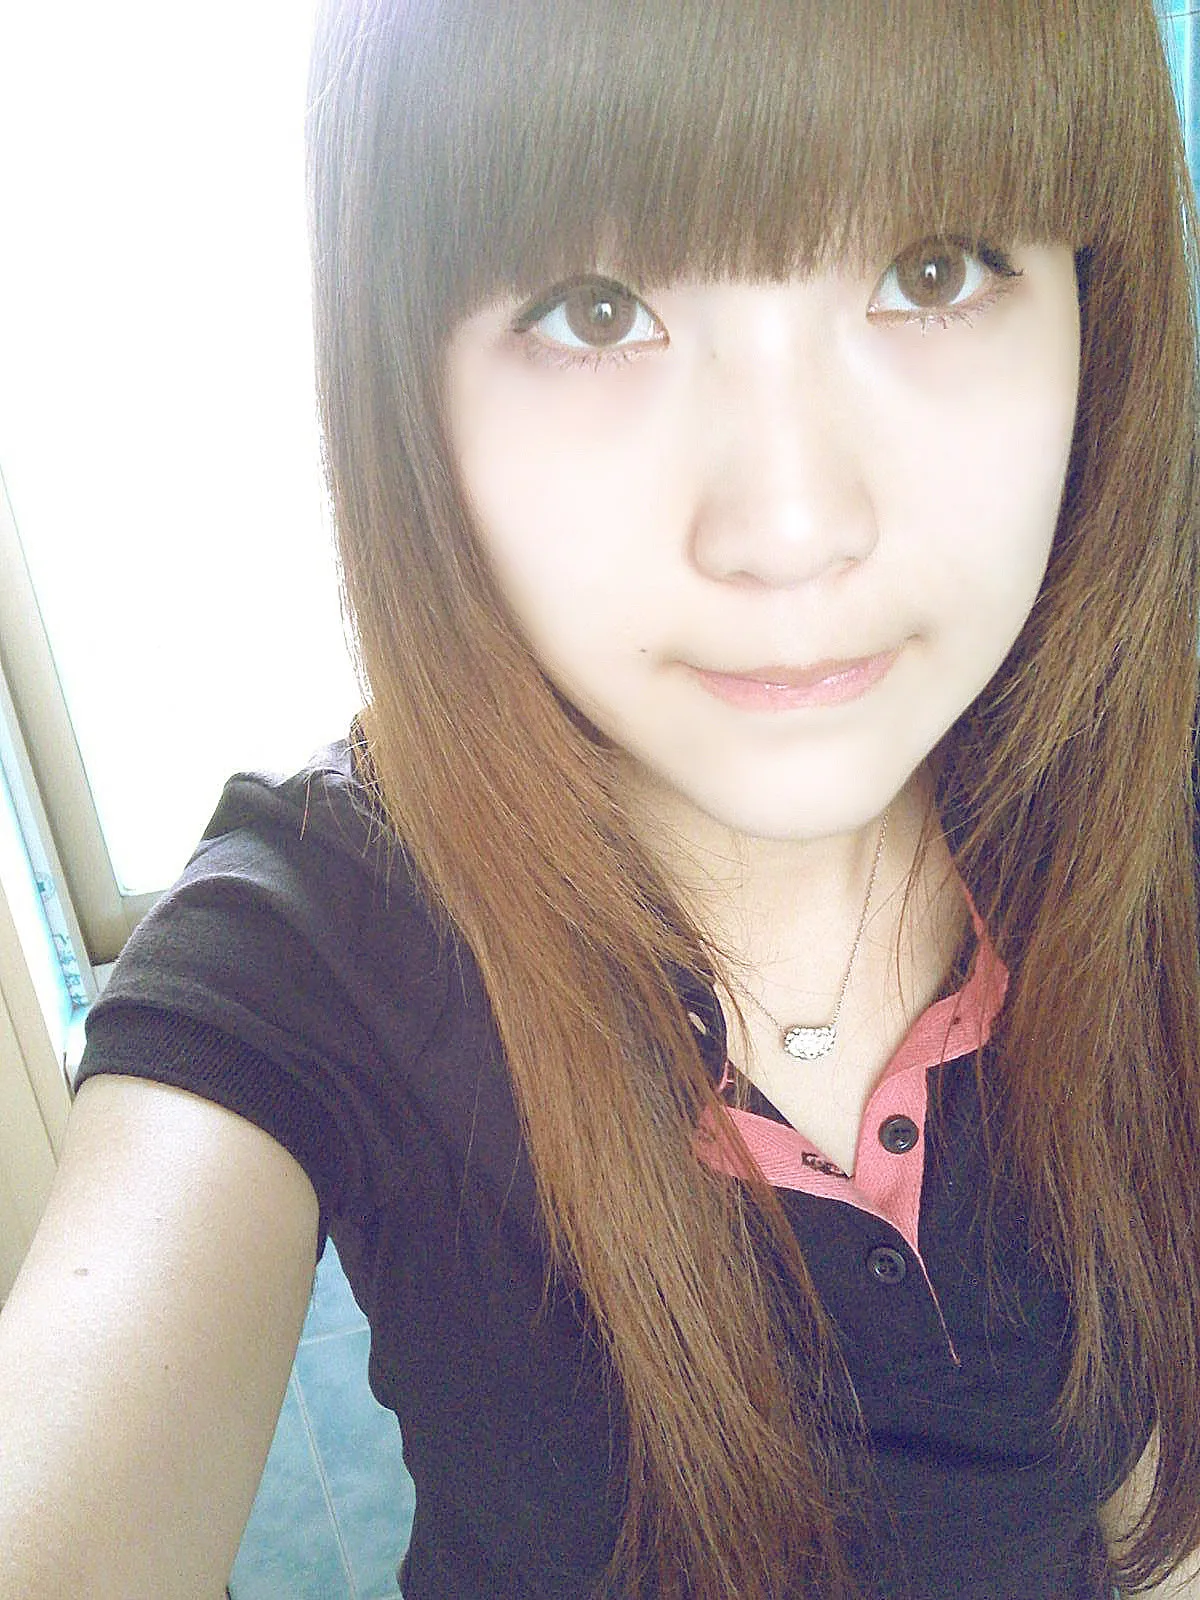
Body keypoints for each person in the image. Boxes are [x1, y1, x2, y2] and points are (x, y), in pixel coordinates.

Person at [2, 0, 1200, 1595]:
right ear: (411, 382)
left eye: (932, 271)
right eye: (596, 306)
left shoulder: (1134, 819)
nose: (789, 527)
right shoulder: (316, 943)